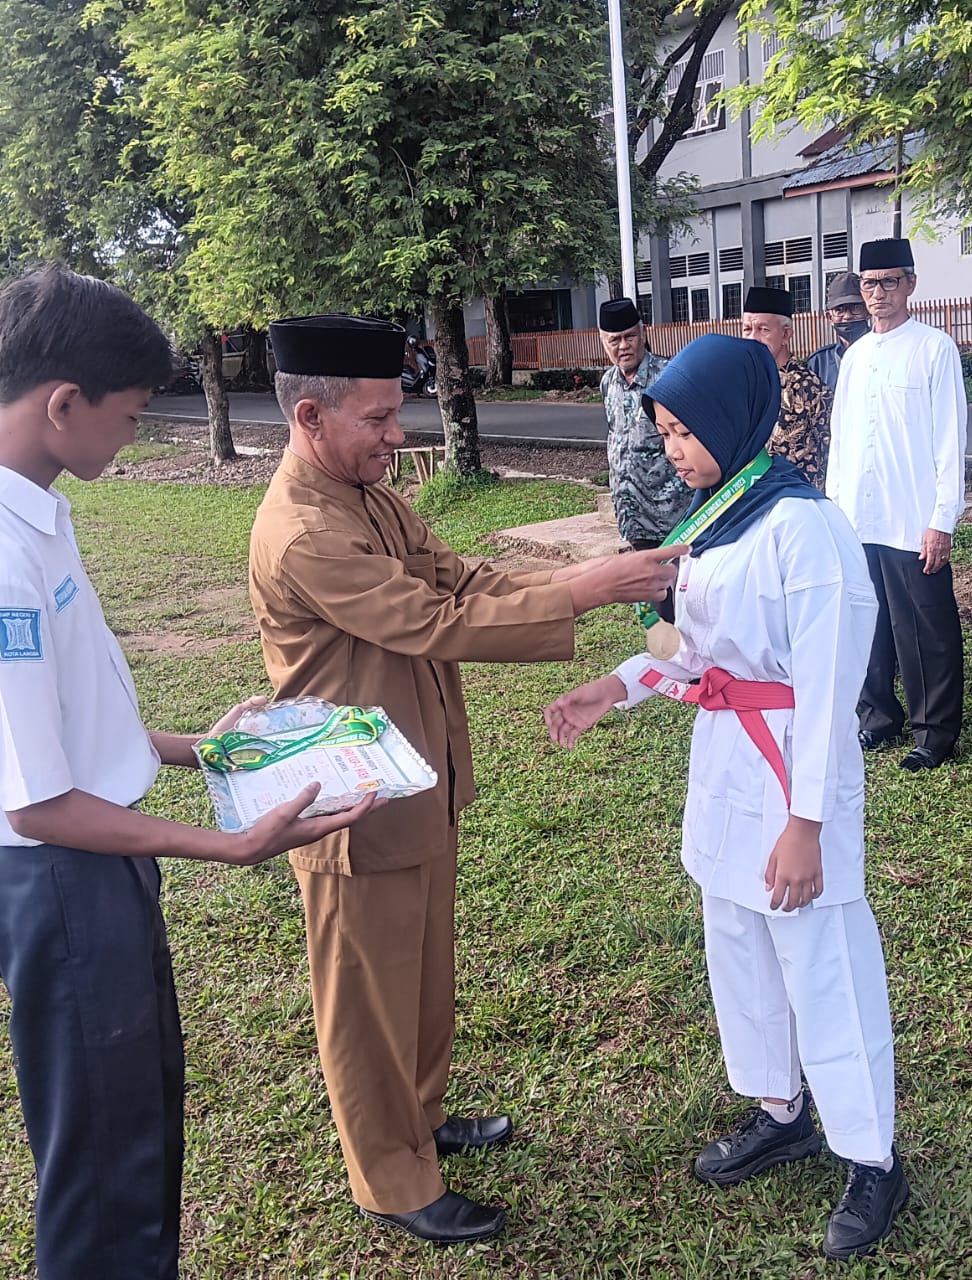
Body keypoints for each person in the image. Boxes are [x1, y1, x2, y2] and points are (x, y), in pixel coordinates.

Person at [248, 313, 683, 1247]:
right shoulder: (303, 530)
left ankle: (422, 1119)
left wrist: (566, 582)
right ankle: (392, 1178)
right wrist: (583, 591)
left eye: (395, 412)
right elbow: (428, 620)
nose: (395, 435)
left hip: (417, 776)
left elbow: (456, 574)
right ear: (312, 415)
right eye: (376, 419)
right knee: (367, 997)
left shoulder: (367, 492)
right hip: (349, 802)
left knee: (422, 973)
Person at [0, 266, 374, 1280]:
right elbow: (36, 802)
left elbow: (70, 722)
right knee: (103, 1155)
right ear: (62, 404)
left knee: (141, 1112)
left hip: (96, 864)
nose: (130, 437)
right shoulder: (3, 554)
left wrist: (191, 747)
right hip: (64, 880)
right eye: (126, 417)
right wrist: (227, 841)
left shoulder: (37, 506)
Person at [544, 334, 906, 1262]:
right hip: (725, 766)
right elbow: (698, 659)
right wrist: (615, 685)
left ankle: (871, 1153)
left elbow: (828, 689)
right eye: (663, 431)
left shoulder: (805, 526)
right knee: (739, 949)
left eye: (684, 430)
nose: (672, 447)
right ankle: (779, 1106)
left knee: (822, 958)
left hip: (791, 771)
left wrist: (807, 823)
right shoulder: (715, 519)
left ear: (735, 420)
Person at [827, 237, 968, 771]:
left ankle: (934, 732)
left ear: (910, 284)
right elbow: (841, 442)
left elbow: (949, 441)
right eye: (869, 283)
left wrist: (941, 520)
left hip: (912, 519)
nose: (878, 293)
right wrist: (834, 514)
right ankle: (876, 720)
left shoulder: (934, 348)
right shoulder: (857, 356)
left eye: (889, 281)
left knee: (924, 630)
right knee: (867, 625)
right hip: (857, 518)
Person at [598, 297, 687, 550]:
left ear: (643, 333)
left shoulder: (668, 376)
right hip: (631, 516)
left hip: (669, 516)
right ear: (604, 341)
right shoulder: (608, 383)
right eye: (614, 340)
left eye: (630, 337)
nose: (623, 346)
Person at [741, 284, 834, 489]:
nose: (752, 338)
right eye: (747, 329)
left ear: (786, 335)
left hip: (797, 501)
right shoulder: (739, 384)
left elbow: (831, 453)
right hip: (750, 501)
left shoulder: (811, 389)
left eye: (763, 330)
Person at [807, 271, 870, 391]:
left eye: (855, 308)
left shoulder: (885, 353)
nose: (847, 316)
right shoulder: (819, 362)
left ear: (868, 311)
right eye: (839, 310)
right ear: (829, 317)